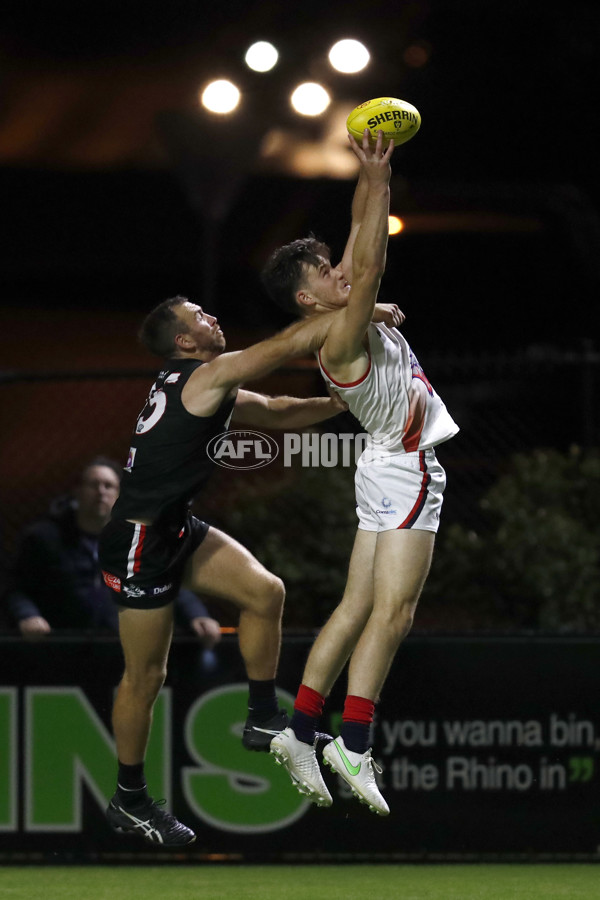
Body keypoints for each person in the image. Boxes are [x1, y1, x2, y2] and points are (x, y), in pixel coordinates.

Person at [98, 297, 347, 846]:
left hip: (175, 527)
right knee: (146, 677)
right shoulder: (205, 376)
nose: (212, 317)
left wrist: (342, 403)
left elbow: (280, 411)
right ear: (184, 343)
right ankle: (129, 799)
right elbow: (284, 347)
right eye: (199, 317)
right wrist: (357, 315)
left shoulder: (208, 385)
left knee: (265, 593)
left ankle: (262, 717)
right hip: (139, 541)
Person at [261, 129, 459, 815]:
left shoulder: (342, 312)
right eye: (322, 272)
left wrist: (372, 176)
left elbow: (358, 245)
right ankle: (354, 741)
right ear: (310, 302)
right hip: (405, 467)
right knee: (394, 612)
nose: (337, 271)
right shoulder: (342, 332)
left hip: (380, 464)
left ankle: (300, 729)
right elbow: (369, 270)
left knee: (355, 607)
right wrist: (378, 184)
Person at [2, 457, 221, 651]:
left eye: (109, 486)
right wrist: (27, 615)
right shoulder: (43, 538)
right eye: (93, 485)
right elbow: (16, 587)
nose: (101, 492)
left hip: (123, 651)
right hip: (60, 648)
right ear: (77, 491)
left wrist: (197, 614)